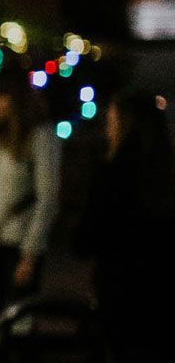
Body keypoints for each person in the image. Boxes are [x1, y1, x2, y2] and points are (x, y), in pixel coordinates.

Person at [78, 91, 174, 361]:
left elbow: (84, 241)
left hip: (120, 294)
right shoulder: (165, 176)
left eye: (110, 124)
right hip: (163, 295)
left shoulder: (111, 175)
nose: (107, 132)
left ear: (122, 126)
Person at [0, 74, 61, 340]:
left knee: (17, 325)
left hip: (18, 242)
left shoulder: (41, 137)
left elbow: (47, 198)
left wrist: (30, 254)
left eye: (0, 98)